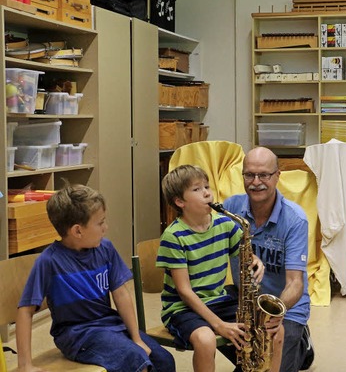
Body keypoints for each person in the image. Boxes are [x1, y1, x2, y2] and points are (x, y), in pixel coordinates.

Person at [16, 184, 175, 372]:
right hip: (77, 335)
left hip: (111, 326)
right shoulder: (48, 261)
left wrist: (136, 337)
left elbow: (121, 295)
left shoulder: (105, 249)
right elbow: (25, 311)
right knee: (136, 361)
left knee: (164, 360)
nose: (105, 228)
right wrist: (25, 365)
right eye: (100, 223)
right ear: (77, 231)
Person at [157, 164, 283, 372]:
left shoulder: (224, 224)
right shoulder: (174, 236)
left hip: (218, 299)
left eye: (207, 186)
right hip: (182, 308)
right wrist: (218, 325)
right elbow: (184, 292)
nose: (207, 192)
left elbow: (246, 255)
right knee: (206, 339)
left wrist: (255, 261)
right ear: (180, 202)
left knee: (273, 329)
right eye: (197, 189)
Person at [224, 147, 314, 372]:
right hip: (245, 301)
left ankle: (301, 343)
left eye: (264, 175)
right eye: (249, 175)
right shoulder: (229, 208)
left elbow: (295, 282)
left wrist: (276, 312)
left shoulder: (295, 219)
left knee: (274, 363)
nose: (256, 182)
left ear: (277, 176)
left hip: (285, 308)